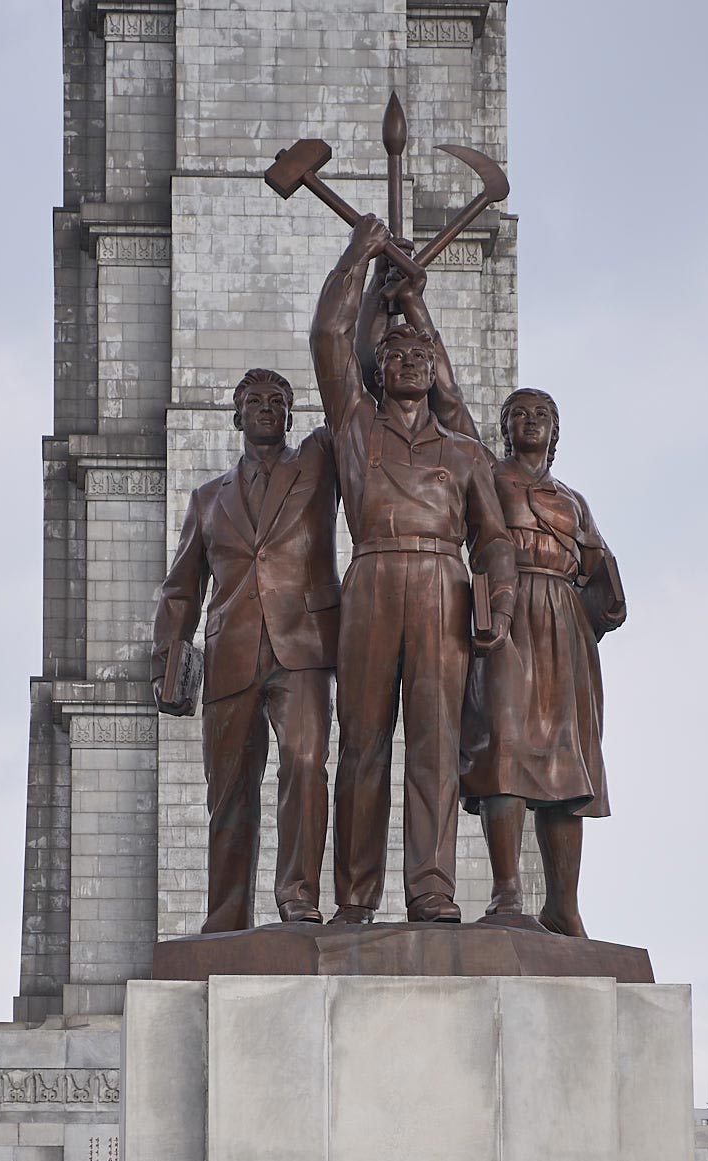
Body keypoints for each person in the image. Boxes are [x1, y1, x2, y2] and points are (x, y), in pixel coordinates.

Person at [358, 266, 626, 936]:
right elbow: (441, 387)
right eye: (519, 414)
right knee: (500, 747)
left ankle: (563, 903)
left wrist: (597, 600)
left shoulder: (572, 499)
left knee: (567, 761)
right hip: (506, 620)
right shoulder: (479, 462)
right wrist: (416, 309)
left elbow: (602, 570)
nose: (530, 421)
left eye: (542, 414)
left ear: (557, 432)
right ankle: (507, 893)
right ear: (502, 428)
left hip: (563, 625)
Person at [310, 215, 517, 924]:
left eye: (422, 357)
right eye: (396, 354)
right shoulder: (354, 428)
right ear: (380, 369)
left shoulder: (462, 452)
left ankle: (431, 888)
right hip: (370, 580)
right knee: (362, 744)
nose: (409, 362)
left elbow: (494, 539)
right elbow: (330, 338)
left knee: (435, 745)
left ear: (435, 372)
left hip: (441, 587)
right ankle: (357, 897)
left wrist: (500, 606)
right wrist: (358, 258)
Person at [151, 369, 340, 932]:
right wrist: (170, 667)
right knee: (230, 790)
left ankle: (298, 897)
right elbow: (182, 587)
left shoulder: (318, 465)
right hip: (229, 653)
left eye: (277, 402)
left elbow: (346, 380)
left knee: (306, 764)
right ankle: (227, 915)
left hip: (302, 647)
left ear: (291, 415)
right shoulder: (209, 499)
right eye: (254, 402)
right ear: (236, 417)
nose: (265, 409)